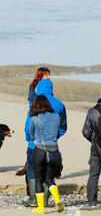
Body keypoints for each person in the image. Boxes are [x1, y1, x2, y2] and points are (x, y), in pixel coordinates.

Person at [24, 76, 67, 208]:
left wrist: (30, 138)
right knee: (49, 175)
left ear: (39, 88)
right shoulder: (60, 105)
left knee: (33, 172)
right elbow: (63, 127)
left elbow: (28, 127)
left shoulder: (35, 102)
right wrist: (53, 137)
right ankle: (49, 201)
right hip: (53, 146)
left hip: (36, 146)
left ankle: (33, 201)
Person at [21, 66, 52, 207]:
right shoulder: (35, 91)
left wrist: (30, 137)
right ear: (40, 76)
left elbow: (29, 123)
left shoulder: (37, 98)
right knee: (44, 169)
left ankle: (34, 200)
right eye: (46, 76)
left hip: (35, 142)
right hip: (49, 142)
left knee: (34, 168)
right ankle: (41, 200)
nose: (49, 78)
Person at [28, 96, 64, 214]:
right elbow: (58, 131)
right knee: (49, 178)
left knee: (39, 179)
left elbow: (32, 136)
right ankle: (58, 200)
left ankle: (41, 208)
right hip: (54, 151)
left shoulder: (35, 119)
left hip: (39, 151)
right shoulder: (57, 117)